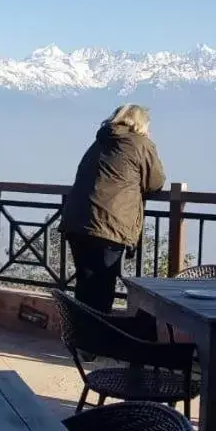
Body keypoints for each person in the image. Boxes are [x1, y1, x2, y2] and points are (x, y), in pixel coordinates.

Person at [59, 104, 166, 313]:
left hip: (77, 219)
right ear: (142, 123)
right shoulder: (141, 144)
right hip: (108, 224)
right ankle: (96, 339)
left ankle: (80, 335)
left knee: (85, 282)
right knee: (102, 285)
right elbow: (155, 182)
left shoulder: (100, 140)